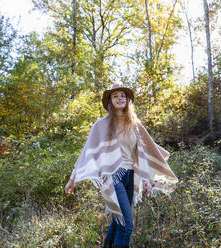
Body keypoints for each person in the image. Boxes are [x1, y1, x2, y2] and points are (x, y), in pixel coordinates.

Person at [65, 83, 178, 248]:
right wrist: (72, 179)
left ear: (127, 100)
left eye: (122, 96)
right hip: (113, 177)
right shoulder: (100, 125)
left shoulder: (134, 125)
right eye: (115, 96)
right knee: (127, 224)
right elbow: (86, 154)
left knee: (118, 220)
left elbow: (144, 153)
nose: (119, 98)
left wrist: (146, 179)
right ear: (110, 101)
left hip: (131, 176)